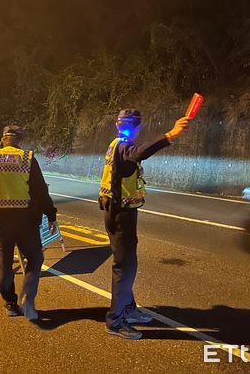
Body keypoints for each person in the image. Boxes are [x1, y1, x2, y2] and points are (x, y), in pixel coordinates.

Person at [99, 109, 190, 339]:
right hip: (121, 214)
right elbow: (139, 153)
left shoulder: (115, 143)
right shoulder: (124, 146)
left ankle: (128, 309)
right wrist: (170, 135)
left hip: (116, 212)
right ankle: (115, 321)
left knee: (127, 263)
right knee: (124, 267)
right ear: (139, 127)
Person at [0, 125, 57, 321]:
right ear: (20, 141)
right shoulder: (27, 158)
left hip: (1, 218)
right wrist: (51, 214)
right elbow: (40, 190)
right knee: (35, 258)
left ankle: (10, 304)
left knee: (4, 261)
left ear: (3, 140)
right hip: (26, 219)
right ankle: (27, 297)